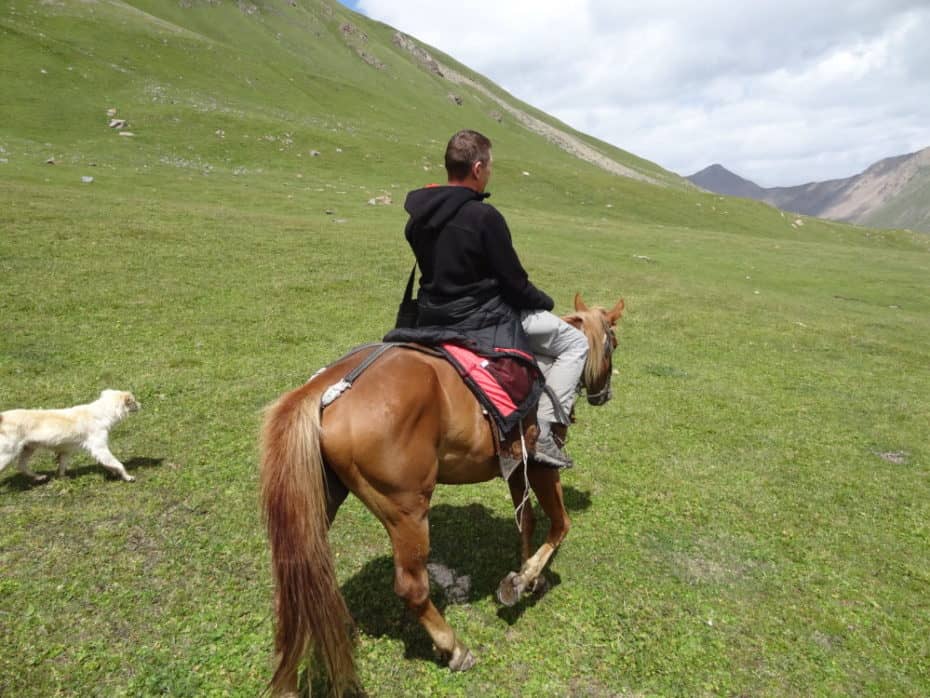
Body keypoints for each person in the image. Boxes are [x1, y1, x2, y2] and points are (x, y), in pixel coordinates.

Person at [394, 129, 588, 468]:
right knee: (575, 342)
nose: (489, 174)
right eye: (490, 168)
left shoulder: (418, 219)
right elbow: (514, 284)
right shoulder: (484, 217)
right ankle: (542, 433)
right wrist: (545, 301)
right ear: (478, 168)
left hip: (431, 317)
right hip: (481, 319)